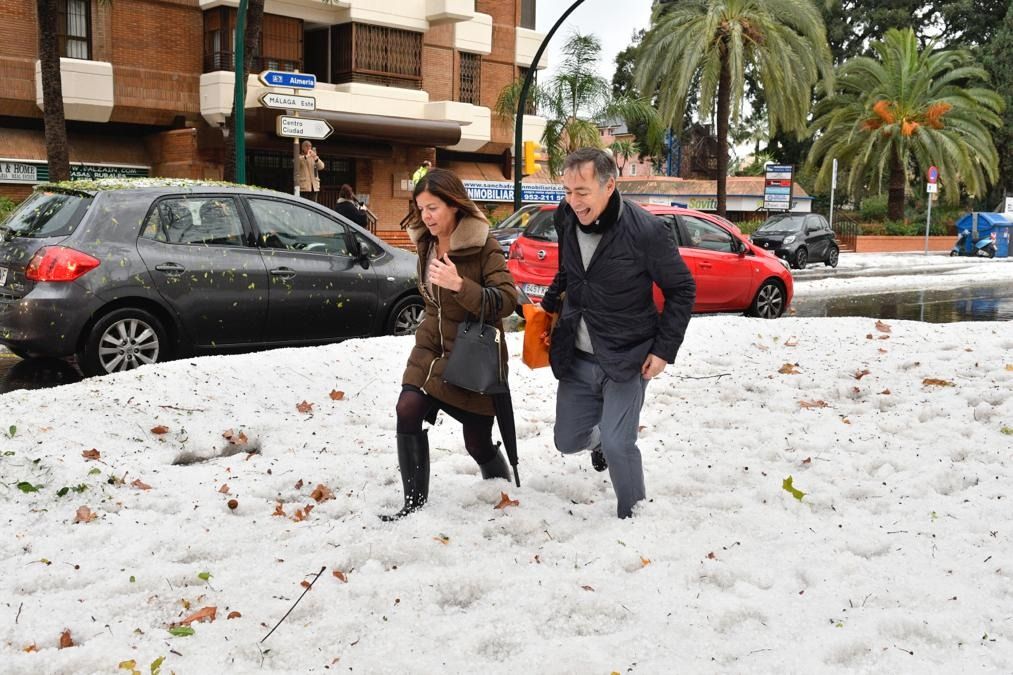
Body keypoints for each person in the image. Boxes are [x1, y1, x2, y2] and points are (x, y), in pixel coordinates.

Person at [539, 148, 696, 519]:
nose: (573, 202)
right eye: (567, 191)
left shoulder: (646, 231)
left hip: (628, 355)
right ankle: (600, 443)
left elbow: (682, 289)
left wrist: (663, 350)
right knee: (567, 440)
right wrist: (547, 306)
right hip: (576, 354)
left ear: (610, 185)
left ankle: (634, 514)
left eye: (582, 192)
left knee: (619, 441)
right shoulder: (565, 217)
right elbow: (570, 270)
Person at [383, 168, 519, 520]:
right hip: (430, 348)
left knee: (477, 442)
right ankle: (413, 505)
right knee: (407, 407)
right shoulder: (426, 243)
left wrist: (461, 285)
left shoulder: (482, 245)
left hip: (472, 356)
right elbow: (433, 305)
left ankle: (503, 490)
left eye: (433, 208)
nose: (426, 217)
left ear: (455, 205)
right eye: (421, 208)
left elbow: (506, 299)